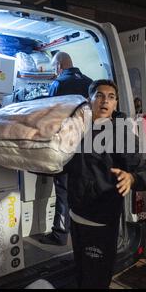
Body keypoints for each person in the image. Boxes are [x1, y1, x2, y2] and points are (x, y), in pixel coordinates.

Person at [64, 79, 146, 288]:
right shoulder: (76, 130)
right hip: (76, 216)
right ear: (89, 100)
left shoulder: (121, 134)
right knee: (82, 274)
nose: (105, 101)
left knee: (96, 281)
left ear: (115, 104)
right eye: (100, 95)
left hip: (102, 222)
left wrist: (132, 178)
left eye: (111, 97)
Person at [39, 52, 93, 246]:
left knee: (62, 190)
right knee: (82, 189)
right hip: (86, 146)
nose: (55, 72)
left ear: (59, 66)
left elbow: (51, 116)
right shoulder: (90, 82)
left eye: (55, 68)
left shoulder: (59, 83)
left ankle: (60, 234)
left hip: (65, 145)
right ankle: (83, 230)